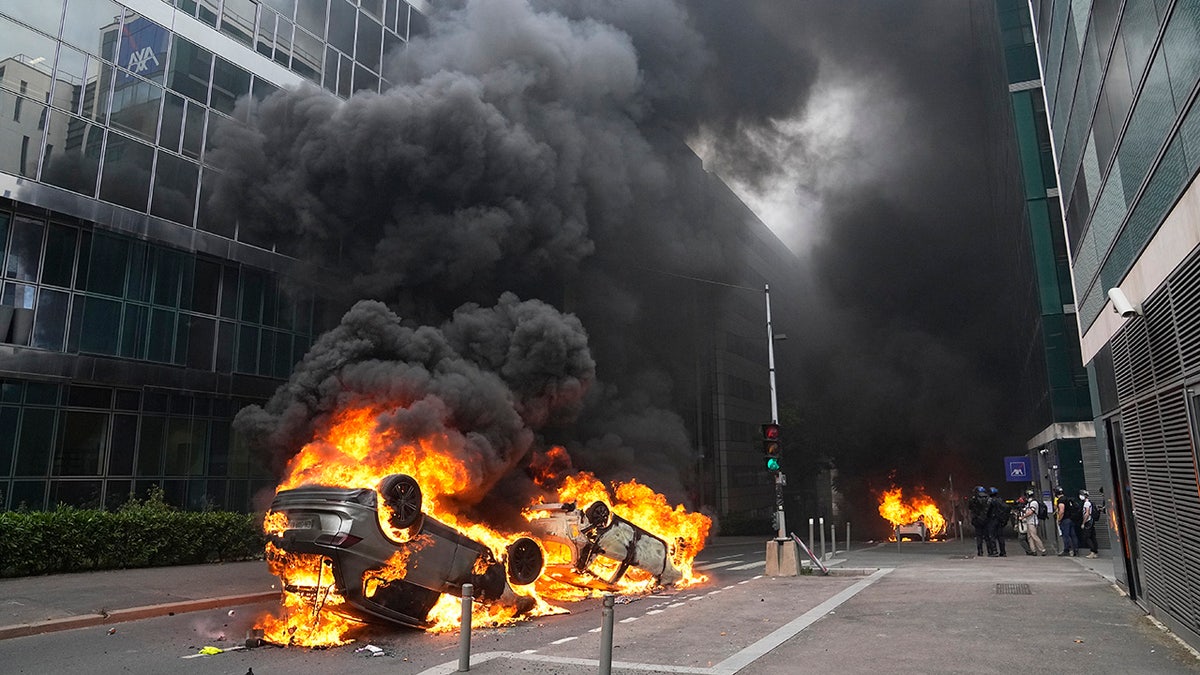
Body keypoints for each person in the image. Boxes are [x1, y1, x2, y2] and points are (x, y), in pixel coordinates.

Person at [1019, 488, 1047, 555]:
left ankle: (1042, 550)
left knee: (1034, 536)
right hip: (1029, 522)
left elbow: (1031, 512)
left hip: (1032, 522)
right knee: (1030, 537)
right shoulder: (1029, 503)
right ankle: (1033, 550)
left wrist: (1023, 517)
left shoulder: (1033, 502)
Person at [1055, 487, 1079, 556]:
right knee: (1073, 535)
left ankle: (1067, 550)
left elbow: (1061, 511)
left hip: (1065, 520)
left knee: (1066, 535)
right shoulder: (1067, 499)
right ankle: (1076, 550)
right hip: (1071, 519)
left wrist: (1059, 519)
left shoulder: (1061, 500)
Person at [969, 486, 991, 557]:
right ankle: (990, 551)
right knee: (987, 537)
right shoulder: (988, 499)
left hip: (977, 520)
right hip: (986, 519)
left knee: (979, 537)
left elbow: (970, 507)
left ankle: (980, 552)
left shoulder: (973, 499)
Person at [986, 487, 1008, 557]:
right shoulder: (1000, 500)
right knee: (1000, 537)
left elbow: (987, 511)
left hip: (992, 520)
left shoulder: (990, 501)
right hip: (1000, 520)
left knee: (992, 536)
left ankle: (994, 551)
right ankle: (1003, 552)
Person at [1079, 489, 1099, 558]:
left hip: (1088, 522)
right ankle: (1095, 552)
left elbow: (1087, 514)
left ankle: (1092, 551)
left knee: (1087, 537)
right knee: (1093, 537)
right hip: (1091, 522)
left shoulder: (1086, 503)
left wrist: (1083, 523)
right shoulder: (1089, 502)